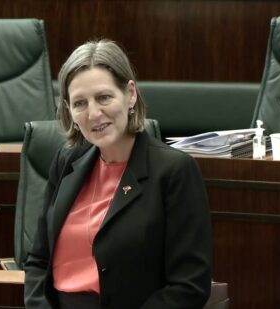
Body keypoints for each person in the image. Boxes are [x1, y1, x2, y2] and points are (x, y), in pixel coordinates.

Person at [24, 39, 212, 309]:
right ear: (68, 110)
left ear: (130, 94)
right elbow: (38, 262)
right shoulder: (66, 162)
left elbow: (189, 285)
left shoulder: (174, 171)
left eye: (104, 97)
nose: (94, 113)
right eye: (80, 103)